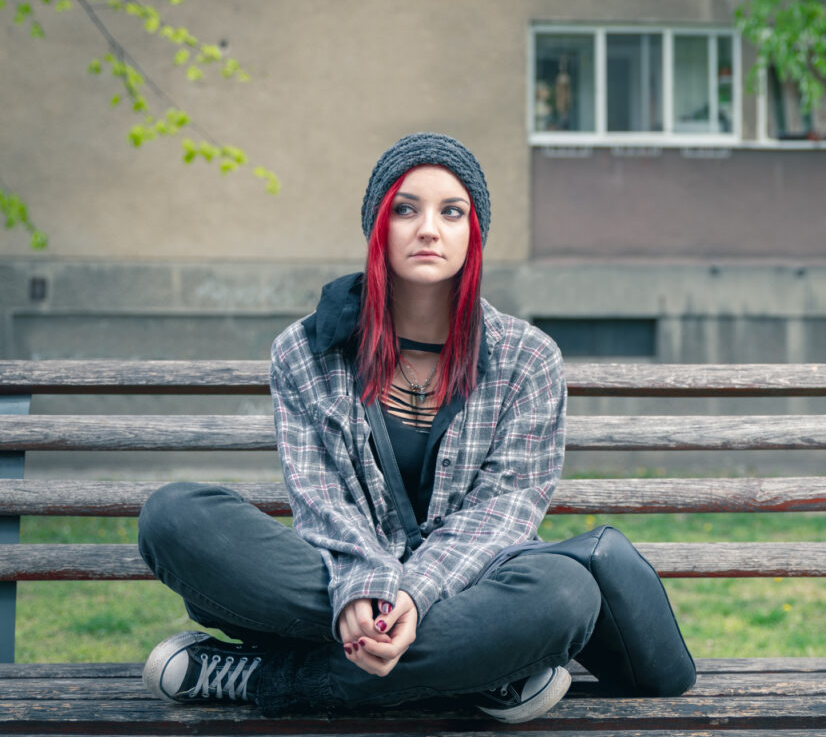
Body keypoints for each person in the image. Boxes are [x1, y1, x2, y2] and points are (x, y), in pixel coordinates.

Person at [137, 133, 601, 724]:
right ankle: (478, 671)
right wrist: (361, 586)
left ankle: (261, 676)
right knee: (175, 517)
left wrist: (412, 593)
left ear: (473, 233)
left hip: (467, 583)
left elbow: (505, 511)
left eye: (451, 212)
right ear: (377, 226)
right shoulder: (304, 352)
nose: (427, 228)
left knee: (564, 594)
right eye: (405, 209)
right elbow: (320, 498)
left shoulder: (528, 358)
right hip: (335, 573)